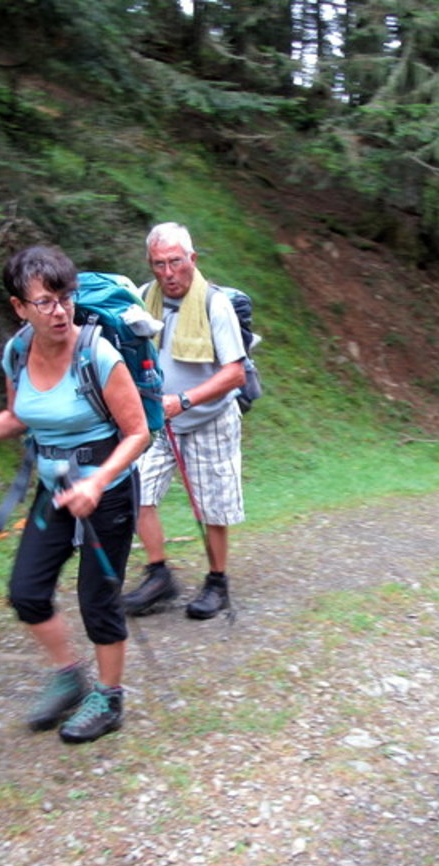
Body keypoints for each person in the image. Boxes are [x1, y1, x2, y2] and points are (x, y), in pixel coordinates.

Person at [0, 245, 151, 744]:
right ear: (19, 307)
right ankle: (70, 677)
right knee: (26, 592)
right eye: (45, 301)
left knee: (98, 599)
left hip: (107, 490)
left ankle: (109, 697)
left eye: (65, 297)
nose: (59, 311)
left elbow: (138, 432)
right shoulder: (18, 352)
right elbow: (17, 416)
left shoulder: (98, 354)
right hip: (54, 489)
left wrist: (97, 482)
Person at [121, 222, 247, 620]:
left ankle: (217, 582)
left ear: (192, 259)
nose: (168, 273)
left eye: (175, 261)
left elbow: (235, 373)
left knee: (213, 507)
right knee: (137, 491)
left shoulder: (214, 304)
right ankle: (159, 576)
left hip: (210, 418)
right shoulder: (143, 298)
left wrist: (185, 400)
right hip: (159, 421)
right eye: (159, 264)